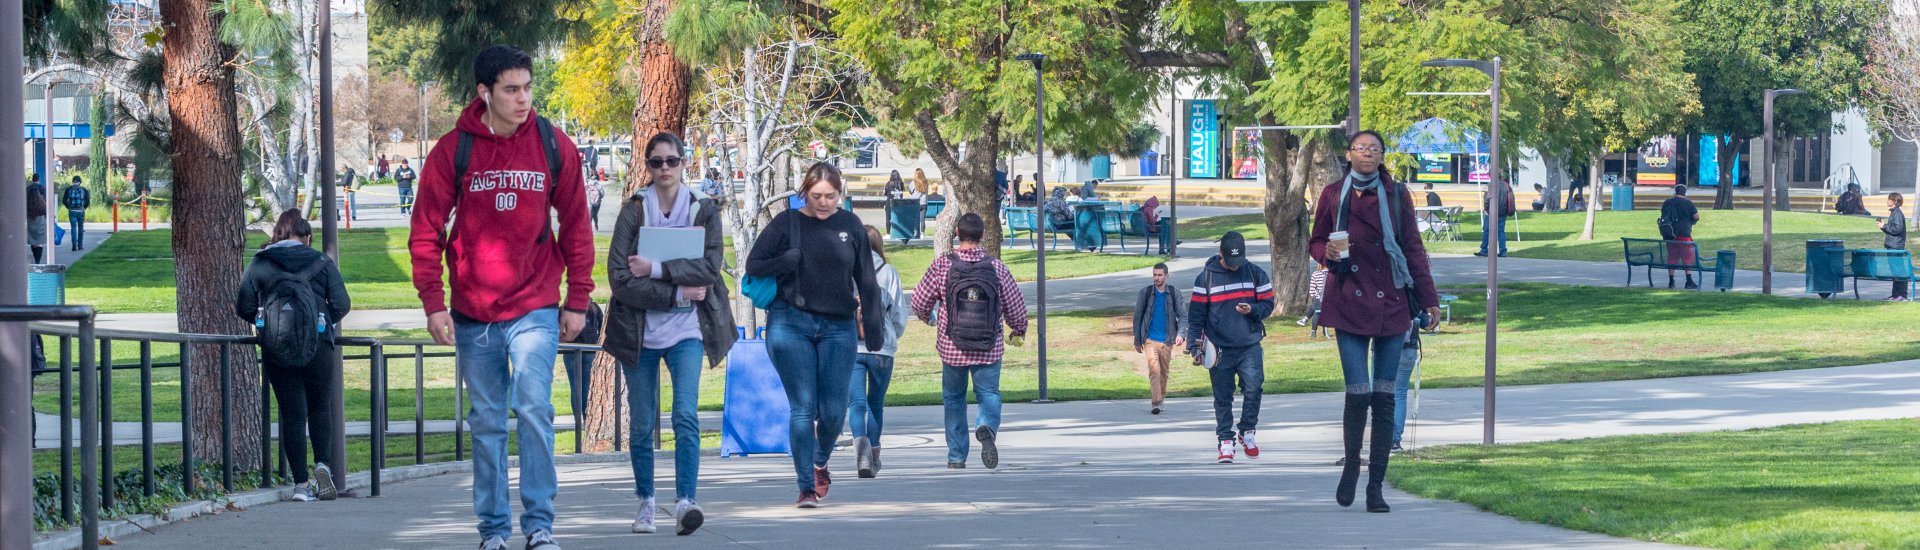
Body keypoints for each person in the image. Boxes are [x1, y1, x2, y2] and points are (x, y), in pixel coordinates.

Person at [407, 44, 595, 550]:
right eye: (511, 90)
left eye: (528, 87)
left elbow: (577, 226)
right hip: (472, 312)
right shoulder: (453, 150)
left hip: (534, 304)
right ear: (484, 93)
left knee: (534, 406)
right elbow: (426, 231)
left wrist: (577, 298)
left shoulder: (554, 145)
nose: (523, 98)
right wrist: (433, 302)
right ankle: (493, 530)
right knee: (487, 422)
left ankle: (539, 525)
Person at [605, 131, 737, 535]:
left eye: (672, 161)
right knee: (643, 423)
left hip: (687, 331)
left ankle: (685, 501)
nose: (665, 168)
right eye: (656, 162)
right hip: (639, 331)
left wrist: (658, 268)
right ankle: (646, 501)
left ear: (685, 163)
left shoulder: (702, 209)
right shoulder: (634, 211)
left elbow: (711, 269)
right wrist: (678, 289)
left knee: (685, 415)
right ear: (647, 166)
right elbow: (620, 277)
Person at [1310, 130, 1441, 514]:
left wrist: (1429, 300)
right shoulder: (1333, 194)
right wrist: (1327, 251)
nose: (1367, 154)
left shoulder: (1398, 194)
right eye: (1360, 148)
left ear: (1382, 156)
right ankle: (1351, 466)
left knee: (1384, 396)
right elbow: (1315, 239)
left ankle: (1376, 486)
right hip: (1348, 298)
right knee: (1358, 392)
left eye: (1374, 149)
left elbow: (1413, 248)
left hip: (1392, 303)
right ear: (1348, 154)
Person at [745, 162, 884, 509]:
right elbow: (753, 265)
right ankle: (806, 485)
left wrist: (875, 328)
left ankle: (820, 461)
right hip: (790, 323)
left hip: (838, 327)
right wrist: (785, 261)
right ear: (804, 192)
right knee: (803, 409)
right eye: (816, 195)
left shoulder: (850, 225)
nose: (823, 203)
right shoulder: (786, 223)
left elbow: (866, 280)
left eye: (831, 196)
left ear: (841, 195)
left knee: (835, 412)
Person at [235, 209, 352, 503]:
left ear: (278, 234)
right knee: (319, 406)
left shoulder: (261, 262)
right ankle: (323, 464)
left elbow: (243, 305)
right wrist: (320, 321)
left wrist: (267, 323)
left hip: (278, 348)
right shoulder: (321, 262)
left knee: (292, 413)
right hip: (319, 346)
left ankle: (300, 484)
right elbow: (342, 302)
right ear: (307, 237)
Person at [909, 212, 1028, 469]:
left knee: (954, 399)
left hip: (953, 346)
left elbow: (918, 301)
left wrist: (930, 318)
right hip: (988, 346)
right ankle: (986, 425)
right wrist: (1018, 329)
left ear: (957, 235)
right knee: (988, 392)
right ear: (982, 236)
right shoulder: (996, 267)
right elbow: (1015, 305)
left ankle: (956, 456)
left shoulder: (943, 265)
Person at [1185, 231, 1275, 465]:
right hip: (1219, 348)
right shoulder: (1205, 279)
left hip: (1249, 345)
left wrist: (1253, 310)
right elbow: (1196, 317)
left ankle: (1247, 431)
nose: (1236, 267)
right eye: (1231, 261)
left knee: (1254, 389)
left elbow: (1268, 305)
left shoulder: (1255, 273)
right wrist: (1194, 347)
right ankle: (1225, 440)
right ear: (1220, 254)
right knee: (1223, 397)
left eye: (1239, 261)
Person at [849, 224, 908, 479]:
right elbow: (899, 316)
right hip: (882, 348)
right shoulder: (889, 272)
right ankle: (873, 454)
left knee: (856, 404)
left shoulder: (845, 272)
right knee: (876, 404)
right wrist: (891, 335)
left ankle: (859, 450)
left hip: (852, 346)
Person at [1132, 263, 1185, 415]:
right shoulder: (1146, 293)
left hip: (1167, 339)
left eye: (1160, 275)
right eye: (1155, 275)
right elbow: (1138, 317)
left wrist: (1181, 334)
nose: (1157, 278)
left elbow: (1182, 315)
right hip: (1149, 338)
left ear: (1166, 276)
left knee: (1163, 373)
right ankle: (1156, 402)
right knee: (1154, 369)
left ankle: (1160, 399)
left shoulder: (1174, 293)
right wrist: (1137, 339)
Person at [1658, 185, 1701, 289]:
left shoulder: (1667, 202)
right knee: (1687, 257)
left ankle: (1671, 281)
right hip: (1684, 234)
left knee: (1672, 257)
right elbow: (1696, 216)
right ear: (1685, 193)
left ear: (1675, 192)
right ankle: (1689, 281)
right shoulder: (1687, 203)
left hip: (1670, 235)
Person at [1475, 179, 1515, 257]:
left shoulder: (1490, 185)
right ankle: (1503, 251)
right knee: (1501, 232)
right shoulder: (1506, 186)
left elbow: (1487, 199)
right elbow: (1510, 198)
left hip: (1491, 212)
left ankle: (1484, 250)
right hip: (1503, 212)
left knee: (1486, 231)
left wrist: (1486, 209)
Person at [1883, 193, 1908, 301]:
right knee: (1895, 271)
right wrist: (1884, 227)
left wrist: (1884, 226)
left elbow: (1898, 230)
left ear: (1895, 201)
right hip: (1892, 245)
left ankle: (1901, 294)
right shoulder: (1894, 213)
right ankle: (1895, 294)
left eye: (1890, 199)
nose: (1888, 201)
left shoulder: (1897, 213)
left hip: (1895, 246)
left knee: (1898, 270)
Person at [61, 176, 89, 251]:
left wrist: (69, 207)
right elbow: (87, 201)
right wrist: (83, 208)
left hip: (72, 211)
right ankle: (80, 246)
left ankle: (74, 244)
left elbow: (64, 200)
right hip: (81, 211)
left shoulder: (69, 189)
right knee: (80, 228)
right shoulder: (83, 190)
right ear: (80, 182)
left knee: (73, 228)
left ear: (73, 181)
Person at [26, 174, 46, 263]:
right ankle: (38, 261)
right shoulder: (42, 188)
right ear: (38, 179)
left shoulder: (28, 189)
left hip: (30, 217)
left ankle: (35, 258)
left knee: (33, 240)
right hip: (40, 219)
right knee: (39, 241)